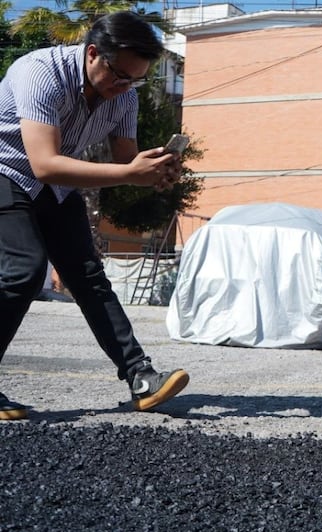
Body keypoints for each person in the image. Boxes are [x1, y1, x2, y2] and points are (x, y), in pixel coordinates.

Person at [0, 12, 190, 421]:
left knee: (87, 274)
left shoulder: (124, 96)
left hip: (56, 184)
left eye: (134, 80)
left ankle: (141, 376)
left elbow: (125, 159)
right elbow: (44, 164)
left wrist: (154, 170)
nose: (124, 87)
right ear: (93, 54)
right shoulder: (39, 73)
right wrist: (128, 173)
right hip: (7, 171)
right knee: (24, 271)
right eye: (120, 76)